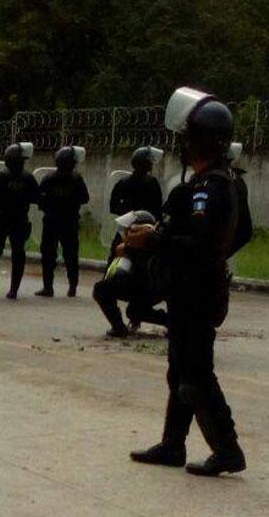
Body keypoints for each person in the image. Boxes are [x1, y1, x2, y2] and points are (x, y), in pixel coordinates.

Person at [128, 87, 252, 477]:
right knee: (180, 369)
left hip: (198, 291)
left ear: (201, 141)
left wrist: (156, 240)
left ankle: (227, 450)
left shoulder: (210, 188)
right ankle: (172, 445)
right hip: (192, 287)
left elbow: (201, 243)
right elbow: (241, 232)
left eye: (187, 139)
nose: (182, 146)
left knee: (196, 373)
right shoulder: (222, 181)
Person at [92, 211, 167, 338]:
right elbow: (111, 269)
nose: (125, 233)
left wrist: (130, 252)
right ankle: (119, 328)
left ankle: (174, 323)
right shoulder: (122, 245)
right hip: (135, 285)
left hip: (152, 288)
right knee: (101, 289)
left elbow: (150, 274)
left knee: (135, 310)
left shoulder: (153, 244)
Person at [0, 143, 39, 300]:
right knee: (17, 255)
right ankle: (13, 290)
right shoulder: (28, 178)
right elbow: (36, 198)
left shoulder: (0, 178)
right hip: (19, 220)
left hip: (1, 220)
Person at [36, 146, 90, 298]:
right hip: (69, 221)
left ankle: (48, 287)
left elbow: (39, 199)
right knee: (71, 255)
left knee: (48, 254)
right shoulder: (76, 179)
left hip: (51, 221)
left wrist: (51, 206)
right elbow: (85, 198)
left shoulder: (49, 178)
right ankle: (72, 287)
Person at [107, 146, 163, 263]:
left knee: (114, 257)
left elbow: (113, 206)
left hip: (126, 227)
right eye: (149, 162)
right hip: (144, 229)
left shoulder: (123, 182)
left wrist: (128, 216)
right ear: (146, 164)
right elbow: (158, 209)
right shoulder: (152, 183)